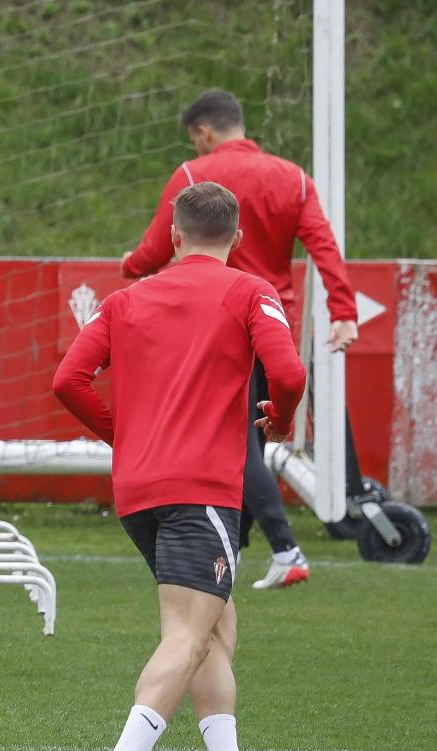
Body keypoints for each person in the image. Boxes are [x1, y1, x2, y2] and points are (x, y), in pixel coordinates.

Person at [55, 183, 304, 751]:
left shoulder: (126, 299)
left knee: (217, 628)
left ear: (172, 235)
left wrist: (122, 435)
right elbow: (291, 373)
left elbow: (67, 381)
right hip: (203, 490)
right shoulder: (251, 290)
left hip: (139, 492)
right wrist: (279, 419)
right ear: (239, 238)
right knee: (191, 633)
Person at [122, 88, 359, 590]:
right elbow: (323, 246)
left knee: (236, 444)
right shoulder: (293, 177)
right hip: (274, 326)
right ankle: (237, 544)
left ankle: (286, 547)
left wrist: (130, 266)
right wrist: (343, 310)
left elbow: (153, 249)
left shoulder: (193, 176)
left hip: (211, 328)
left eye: (195, 138)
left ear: (203, 133)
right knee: (247, 435)